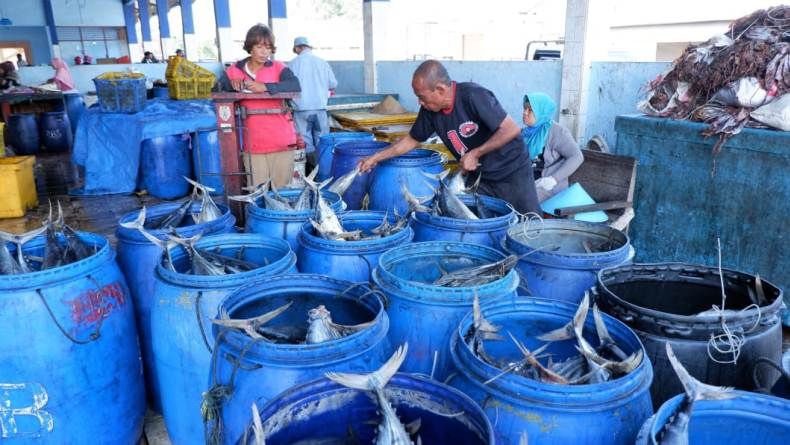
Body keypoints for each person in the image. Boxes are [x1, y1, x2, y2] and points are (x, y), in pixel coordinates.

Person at [359, 60, 539, 215]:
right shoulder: (430, 111)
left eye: (421, 97)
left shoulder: (473, 96)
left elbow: (510, 129)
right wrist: (375, 158)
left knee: (528, 222)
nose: (419, 103)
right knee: (481, 221)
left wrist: (476, 153)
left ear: (440, 89)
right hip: (480, 177)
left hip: (511, 171)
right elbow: (410, 141)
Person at [226, 24, 301, 188]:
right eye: (259, 46)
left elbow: (295, 86)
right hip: (252, 143)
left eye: (268, 47)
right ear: (250, 47)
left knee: (281, 194)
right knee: (257, 193)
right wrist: (230, 84)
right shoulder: (234, 70)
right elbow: (217, 91)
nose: (264, 52)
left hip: (281, 141)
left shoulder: (278, 67)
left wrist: (266, 86)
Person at [521, 92, 583, 202]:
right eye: (524, 108)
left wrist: (553, 179)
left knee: (524, 199)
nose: (524, 113)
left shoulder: (557, 132)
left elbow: (577, 156)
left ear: (541, 112)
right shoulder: (526, 133)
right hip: (528, 182)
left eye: (530, 110)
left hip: (548, 187)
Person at [288, 36, 337, 172]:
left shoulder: (292, 64)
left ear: (297, 48)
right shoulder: (322, 63)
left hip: (301, 110)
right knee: (323, 141)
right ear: (309, 47)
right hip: (320, 109)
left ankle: (312, 173)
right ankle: (324, 173)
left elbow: (286, 88)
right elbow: (333, 84)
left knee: (306, 142)